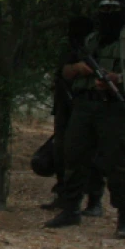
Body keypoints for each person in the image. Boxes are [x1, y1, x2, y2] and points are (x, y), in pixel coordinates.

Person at [44, 0, 125, 239]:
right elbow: (66, 72)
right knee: (74, 156)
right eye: (104, 9)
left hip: (116, 108)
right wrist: (80, 69)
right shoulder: (90, 40)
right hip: (85, 107)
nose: (108, 15)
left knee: (116, 162)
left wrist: (120, 79)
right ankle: (71, 210)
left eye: (114, 10)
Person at [40, 16, 105, 215]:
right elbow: (63, 72)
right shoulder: (69, 49)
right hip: (65, 104)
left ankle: (94, 200)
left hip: (88, 105)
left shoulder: (98, 47)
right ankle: (63, 194)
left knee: (91, 154)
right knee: (61, 151)